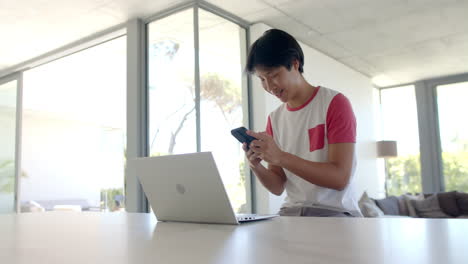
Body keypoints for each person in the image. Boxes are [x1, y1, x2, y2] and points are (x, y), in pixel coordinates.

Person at [244, 29, 362, 217]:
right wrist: (256, 166)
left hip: (334, 212)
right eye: (262, 79)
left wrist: (280, 157)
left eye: (273, 75)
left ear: (294, 63)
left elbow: (340, 178)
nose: (269, 86)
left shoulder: (335, 103)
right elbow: (277, 186)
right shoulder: (274, 119)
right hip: (292, 212)